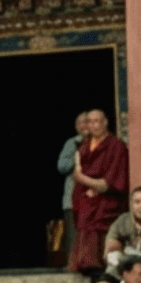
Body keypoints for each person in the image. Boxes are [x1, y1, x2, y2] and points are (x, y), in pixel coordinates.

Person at [71, 109, 129, 275]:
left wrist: (81, 178)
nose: (94, 125)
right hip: (87, 198)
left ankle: (99, 264)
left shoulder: (116, 146)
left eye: (97, 121)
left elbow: (108, 184)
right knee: (85, 213)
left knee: (98, 217)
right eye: (90, 122)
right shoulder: (84, 147)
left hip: (108, 200)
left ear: (105, 123)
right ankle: (86, 264)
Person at [58, 113, 87, 263]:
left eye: (87, 122)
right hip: (73, 197)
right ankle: (73, 264)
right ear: (76, 127)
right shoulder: (72, 143)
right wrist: (78, 155)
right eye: (80, 123)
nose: (84, 126)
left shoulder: (101, 142)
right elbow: (61, 166)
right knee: (73, 235)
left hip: (95, 196)